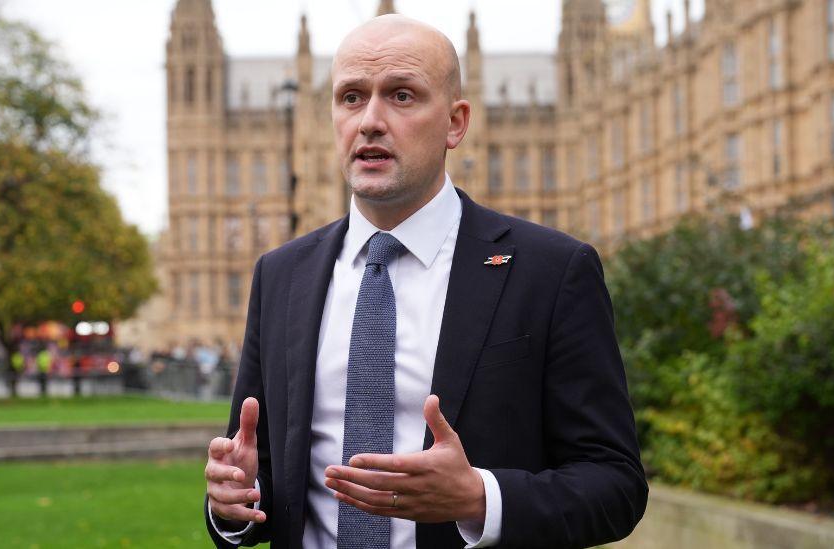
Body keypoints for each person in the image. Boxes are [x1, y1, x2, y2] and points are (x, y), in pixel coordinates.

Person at [204, 14, 646, 549]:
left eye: (402, 96)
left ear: (456, 123)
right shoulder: (281, 276)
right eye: (350, 97)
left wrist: (479, 498)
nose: (370, 120)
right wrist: (232, 502)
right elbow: (259, 483)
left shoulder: (551, 271)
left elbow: (615, 484)